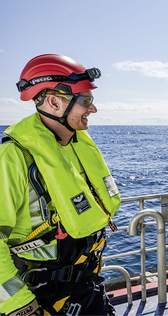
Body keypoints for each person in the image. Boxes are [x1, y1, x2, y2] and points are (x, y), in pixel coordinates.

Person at [0, 54, 121, 316]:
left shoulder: (73, 145)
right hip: (38, 301)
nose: (93, 109)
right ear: (55, 102)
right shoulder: (13, 158)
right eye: (85, 101)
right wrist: (19, 306)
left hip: (85, 288)